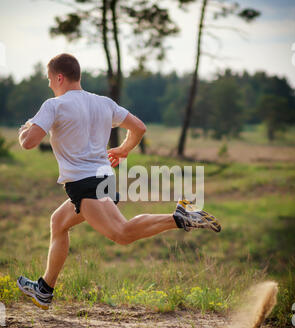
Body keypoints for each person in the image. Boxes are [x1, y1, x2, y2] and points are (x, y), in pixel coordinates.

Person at [17, 53, 221, 310]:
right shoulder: (103, 102)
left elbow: (28, 143)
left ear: (59, 77)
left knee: (122, 234)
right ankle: (45, 289)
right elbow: (139, 127)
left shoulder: (54, 105)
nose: (49, 85)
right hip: (105, 181)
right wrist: (124, 149)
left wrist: (26, 127)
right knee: (58, 222)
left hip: (86, 185)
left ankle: (179, 217)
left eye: (49, 79)